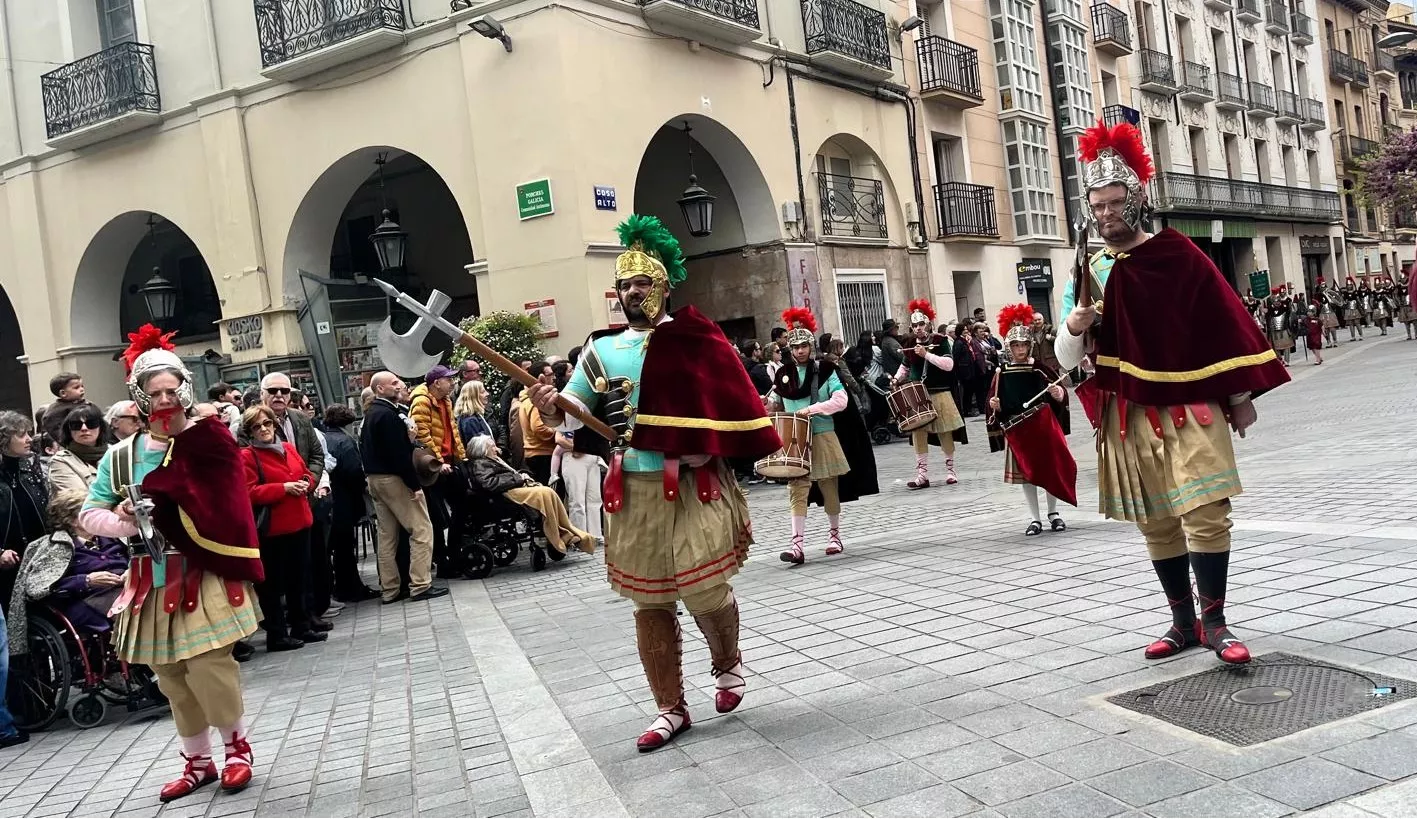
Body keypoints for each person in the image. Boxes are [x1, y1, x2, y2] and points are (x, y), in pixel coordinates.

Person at [528, 214, 779, 752]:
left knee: (703, 585)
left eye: (643, 282)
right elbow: (573, 415)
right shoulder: (602, 349)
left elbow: (730, 406)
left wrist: (705, 445)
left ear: (665, 284)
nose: (633, 291)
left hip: (695, 482)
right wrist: (552, 409)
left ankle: (727, 662)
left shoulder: (696, 338)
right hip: (636, 486)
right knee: (651, 600)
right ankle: (670, 708)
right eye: (624, 284)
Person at [1055, 120, 1290, 667]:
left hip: (1190, 406)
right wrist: (1074, 325)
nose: (1107, 215)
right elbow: (1069, 362)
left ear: (1136, 201)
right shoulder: (1087, 269)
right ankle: (1182, 623)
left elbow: (1216, 324)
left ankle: (1216, 623)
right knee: (1156, 516)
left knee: (1206, 510)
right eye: (1098, 207)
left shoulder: (1178, 253)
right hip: (1127, 409)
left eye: (1116, 204)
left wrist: (1238, 397)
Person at [79, 324, 263, 801]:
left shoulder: (209, 441)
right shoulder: (120, 457)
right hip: (148, 576)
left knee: (208, 665)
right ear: (138, 397)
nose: (164, 399)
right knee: (172, 676)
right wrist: (125, 519)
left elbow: (228, 502)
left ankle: (237, 750)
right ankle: (197, 760)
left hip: (200, 570)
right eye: (153, 391)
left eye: (171, 389)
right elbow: (89, 513)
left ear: (185, 389)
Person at [769, 307, 878, 564]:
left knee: (829, 486)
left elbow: (840, 400)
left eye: (803, 346)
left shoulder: (826, 369)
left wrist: (811, 409)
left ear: (810, 345)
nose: (799, 351)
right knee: (797, 488)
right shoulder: (784, 374)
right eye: (794, 348)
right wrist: (765, 406)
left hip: (822, 434)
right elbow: (774, 401)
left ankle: (834, 535)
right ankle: (797, 545)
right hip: (795, 439)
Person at [239, 405, 323, 652]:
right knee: (272, 585)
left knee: (300, 578)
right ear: (250, 431)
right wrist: (283, 488)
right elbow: (247, 492)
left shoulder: (288, 448)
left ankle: (302, 625)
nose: (264, 429)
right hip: (273, 529)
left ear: (275, 424)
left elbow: (306, 473)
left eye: (267, 423)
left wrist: (306, 482)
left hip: (301, 521)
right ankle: (277, 634)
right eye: (257, 426)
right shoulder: (247, 456)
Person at [360, 372, 448, 604]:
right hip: (394, 478)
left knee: (387, 536)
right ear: (380, 389)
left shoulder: (372, 413)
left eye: (399, 381)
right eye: (394, 383)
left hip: (375, 479)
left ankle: (390, 589)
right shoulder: (388, 414)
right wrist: (414, 484)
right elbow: (398, 454)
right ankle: (420, 584)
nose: (400, 385)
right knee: (421, 529)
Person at [988, 324, 1075, 535]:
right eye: (1016, 345)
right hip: (1019, 430)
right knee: (1027, 475)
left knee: (1050, 470)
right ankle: (1034, 518)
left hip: (1043, 428)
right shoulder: (1002, 372)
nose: (1020, 350)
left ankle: (1053, 513)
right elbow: (993, 403)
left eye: (1024, 345)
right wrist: (995, 407)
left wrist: (1058, 395)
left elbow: (1060, 395)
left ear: (1030, 346)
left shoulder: (1040, 369)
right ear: (1009, 347)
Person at [466, 436, 595, 554]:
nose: (496, 449)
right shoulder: (480, 464)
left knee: (547, 492)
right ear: (483, 451)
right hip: (506, 494)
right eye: (492, 447)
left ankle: (564, 531)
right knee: (543, 493)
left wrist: (519, 478)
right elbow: (490, 483)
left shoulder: (492, 460)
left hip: (511, 490)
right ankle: (559, 532)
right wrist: (518, 479)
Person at [891, 299, 968, 488]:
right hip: (917, 393)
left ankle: (951, 471)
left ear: (928, 324)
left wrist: (927, 355)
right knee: (918, 433)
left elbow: (949, 365)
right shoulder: (909, 342)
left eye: (921, 324)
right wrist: (895, 379)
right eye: (915, 325)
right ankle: (922, 475)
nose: (918, 328)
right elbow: (905, 366)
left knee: (944, 432)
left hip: (939, 392)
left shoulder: (940, 341)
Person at [410, 365, 468, 579]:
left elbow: (452, 431)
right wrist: (438, 460)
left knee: (462, 508)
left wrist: (461, 456)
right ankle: (443, 561)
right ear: (436, 383)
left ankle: (454, 554)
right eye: (448, 379)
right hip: (434, 468)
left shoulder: (446, 401)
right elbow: (423, 435)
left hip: (451, 462)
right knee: (436, 516)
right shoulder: (422, 402)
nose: (452, 383)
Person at [321, 405, 376, 602]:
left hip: (330, 499)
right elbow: (354, 471)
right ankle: (351, 587)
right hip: (344, 500)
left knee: (336, 547)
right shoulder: (345, 441)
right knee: (345, 548)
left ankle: (341, 586)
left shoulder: (326, 438)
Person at [0, 411, 49, 613]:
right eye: (21, 435)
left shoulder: (32, 468)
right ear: (3, 439)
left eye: (28, 434)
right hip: (6, 563)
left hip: (37, 555)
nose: (29, 439)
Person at [47, 403, 109, 496]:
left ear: (101, 427)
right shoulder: (60, 461)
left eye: (91, 424)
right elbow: (81, 500)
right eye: (76, 425)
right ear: (69, 431)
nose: (84, 428)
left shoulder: (115, 452)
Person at [518, 362, 558, 486]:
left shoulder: (528, 399)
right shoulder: (536, 401)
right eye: (550, 374)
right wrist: (559, 431)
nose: (554, 378)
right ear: (541, 377)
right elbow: (539, 428)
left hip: (535, 453)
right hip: (542, 454)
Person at [39, 372, 91, 443]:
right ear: (63, 393)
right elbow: (56, 432)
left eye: (82, 386)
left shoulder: (88, 404)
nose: (82, 389)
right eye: (76, 387)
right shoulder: (55, 411)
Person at [455, 380, 495, 447]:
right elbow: (478, 449)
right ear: (473, 396)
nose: (487, 394)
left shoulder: (477, 416)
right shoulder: (470, 421)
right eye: (482, 392)